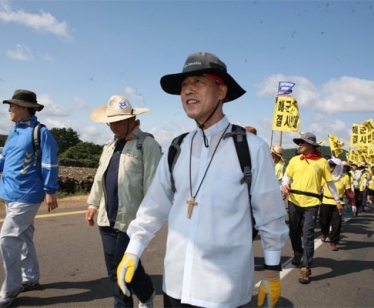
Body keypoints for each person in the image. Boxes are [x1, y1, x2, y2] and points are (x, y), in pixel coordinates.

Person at [116, 52, 288, 308]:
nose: (188, 90)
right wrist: (134, 249)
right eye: (184, 85)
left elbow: (270, 215)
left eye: (199, 82)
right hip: (175, 285)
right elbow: (154, 205)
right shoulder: (177, 147)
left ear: (222, 92)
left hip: (224, 290)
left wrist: (272, 271)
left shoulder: (251, 148)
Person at [0, 89, 59, 308]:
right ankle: (30, 278)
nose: (9, 110)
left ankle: (11, 287)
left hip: (27, 194)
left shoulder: (41, 133)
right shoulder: (15, 130)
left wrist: (50, 191)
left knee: (8, 238)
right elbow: (4, 155)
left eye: (12, 106)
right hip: (9, 193)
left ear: (23, 108)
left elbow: (49, 163)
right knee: (23, 236)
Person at [85, 95, 162, 308]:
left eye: (118, 121)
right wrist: (93, 204)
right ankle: (122, 305)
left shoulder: (147, 145)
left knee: (125, 263)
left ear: (133, 119)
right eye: (110, 122)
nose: (113, 127)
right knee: (112, 268)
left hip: (131, 219)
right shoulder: (109, 146)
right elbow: (100, 178)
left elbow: (153, 186)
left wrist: (147, 220)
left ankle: (146, 294)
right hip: (107, 217)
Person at [282, 132, 342, 284]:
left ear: (311, 145)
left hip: (312, 203)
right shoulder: (295, 160)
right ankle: (297, 251)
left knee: (307, 234)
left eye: (303, 142)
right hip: (294, 200)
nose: (300, 145)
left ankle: (306, 268)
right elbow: (287, 177)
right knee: (293, 230)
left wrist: (337, 201)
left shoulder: (322, 162)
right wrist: (284, 185)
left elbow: (329, 183)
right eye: (299, 142)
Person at [319, 158, 356, 251]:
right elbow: (319, 188)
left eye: (332, 165)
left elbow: (348, 191)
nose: (330, 167)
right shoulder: (325, 176)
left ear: (338, 167)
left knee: (336, 223)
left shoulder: (345, 177)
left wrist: (353, 203)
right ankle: (324, 232)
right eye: (329, 165)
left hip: (338, 204)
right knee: (324, 221)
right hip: (325, 202)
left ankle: (334, 242)